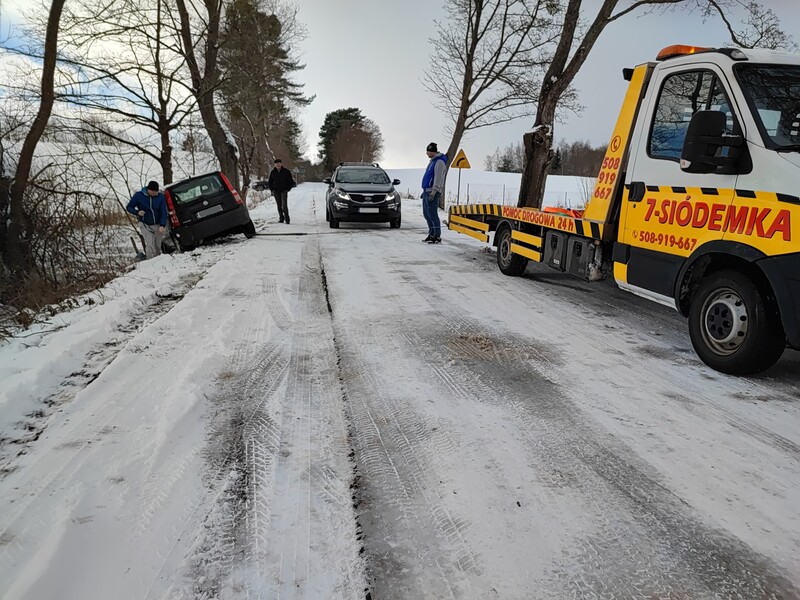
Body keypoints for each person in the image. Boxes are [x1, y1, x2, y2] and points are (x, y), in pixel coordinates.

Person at [126, 180, 167, 259]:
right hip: (145, 223)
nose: (154, 193)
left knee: (157, 245)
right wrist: (137, 212)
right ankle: (150, 261)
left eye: (156, 192)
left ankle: (158, 260)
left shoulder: (160, 197)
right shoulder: (139, 195)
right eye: (153, 191)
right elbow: (129, 207)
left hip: (158, 224)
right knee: (150, 243)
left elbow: (163, 211)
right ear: (148, 189)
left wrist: (162, 225)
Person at [421, 142, 448, 244]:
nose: (426, 153)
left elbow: (438, 178)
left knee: (432, 214)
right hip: (427, 191)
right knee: (427, 214)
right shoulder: (432, 161)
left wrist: (434, 191)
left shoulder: (439, 162)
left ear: (432, 151)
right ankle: (431, 233)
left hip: (432, 192)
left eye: (428, 151)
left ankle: (437, 235)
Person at [267, 158, 296, 224]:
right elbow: (270, 182)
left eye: (279, 163)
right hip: (276, 191)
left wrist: (288, 188)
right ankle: (281, 218)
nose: (278, 165)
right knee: (279, 205)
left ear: (281, 164)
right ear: (274, 165)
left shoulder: (286, 171)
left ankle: (287, 219)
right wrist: (272, 189)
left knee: (284, 205)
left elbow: (290, 181)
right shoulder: (273, 172)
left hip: (284, 190)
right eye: (276, 164)